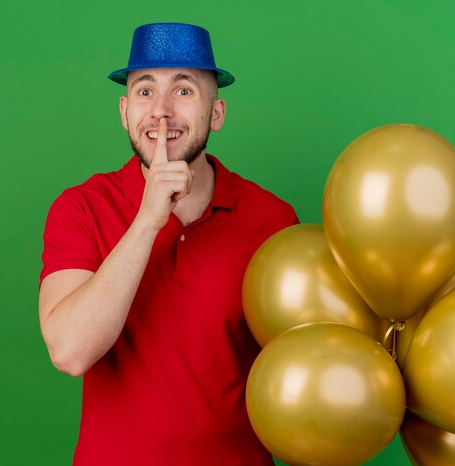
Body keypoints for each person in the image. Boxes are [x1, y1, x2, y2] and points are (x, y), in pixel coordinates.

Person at [39, 22, 299, 466]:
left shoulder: (273, 220)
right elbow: (70, 352)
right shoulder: (80, 208)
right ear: (124, 111)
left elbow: (297, 369)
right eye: (144, 92)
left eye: (183, 91)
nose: (160, 112)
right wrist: (148, 221)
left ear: (215, 113)